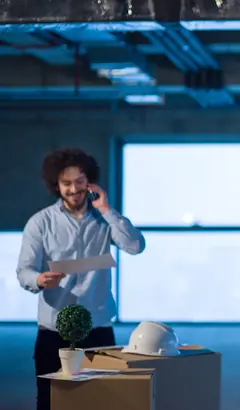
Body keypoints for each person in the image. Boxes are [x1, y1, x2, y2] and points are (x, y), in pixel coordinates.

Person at [16, 148, 146, 410]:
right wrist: (40, 279)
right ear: (56, 185)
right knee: (51, 400)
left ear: (90, 182)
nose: (74, 189)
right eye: (66, 183)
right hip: (53, 328)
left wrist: (107, 208)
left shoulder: (104, 218)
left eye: (79, 181)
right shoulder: (40, 222)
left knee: (101, 400)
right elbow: (24, 271)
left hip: (97, 325)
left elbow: (135, 246)